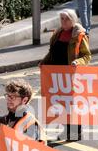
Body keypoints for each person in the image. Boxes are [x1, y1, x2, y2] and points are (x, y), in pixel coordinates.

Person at [39, 9, 91, 140]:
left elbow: (86, 56)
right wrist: (44, 62)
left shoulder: (79, 34)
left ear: (73, 20)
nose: (63, 21)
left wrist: (77, 62)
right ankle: (63, 129)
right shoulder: (57, 33)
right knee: (59, 103)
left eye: (66, 19)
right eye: (62, 19)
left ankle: (75, 131)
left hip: (71, 75)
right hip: (56, 74)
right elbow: (52, 52)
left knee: (71, 103)